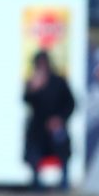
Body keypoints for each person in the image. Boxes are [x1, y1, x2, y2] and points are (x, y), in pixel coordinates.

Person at [24, 50, 75, 189]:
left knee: (62, 151)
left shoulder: (59, 82)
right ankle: (36, 182)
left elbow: (70, 103)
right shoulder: (32, 82)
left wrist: (60, 119)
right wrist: (33, 89)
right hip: (38, 125)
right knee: (34, 152)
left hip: (56, 124)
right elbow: (26, 100)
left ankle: (64, 181)